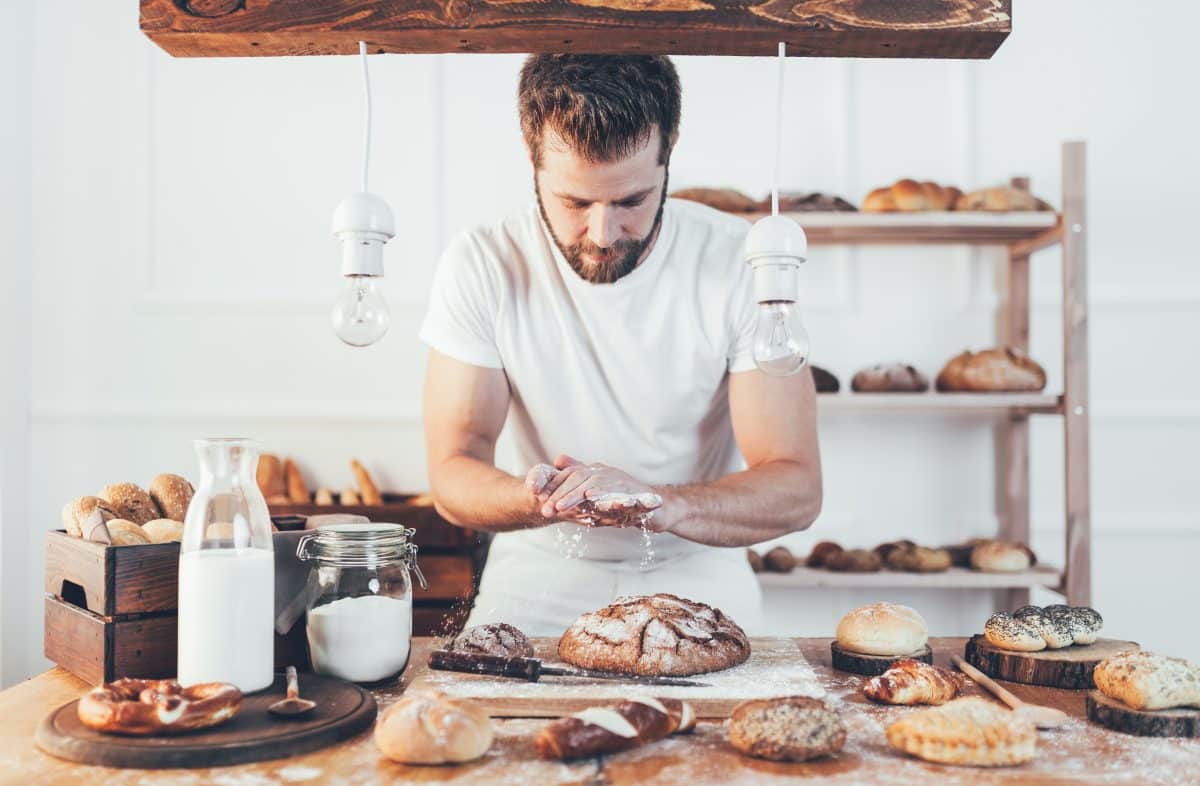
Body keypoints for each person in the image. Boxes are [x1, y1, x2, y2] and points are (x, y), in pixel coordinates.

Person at [419, 54, 821, 635]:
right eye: (575, 203)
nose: (604, 234)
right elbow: (454, 472)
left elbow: (796, 485)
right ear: (532, 159)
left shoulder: (740, 259)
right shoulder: (483, 261)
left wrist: (664, 504)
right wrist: (545, 499)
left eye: (631, 201)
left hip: (699, 566)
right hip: (538, 569)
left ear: (669, 149)